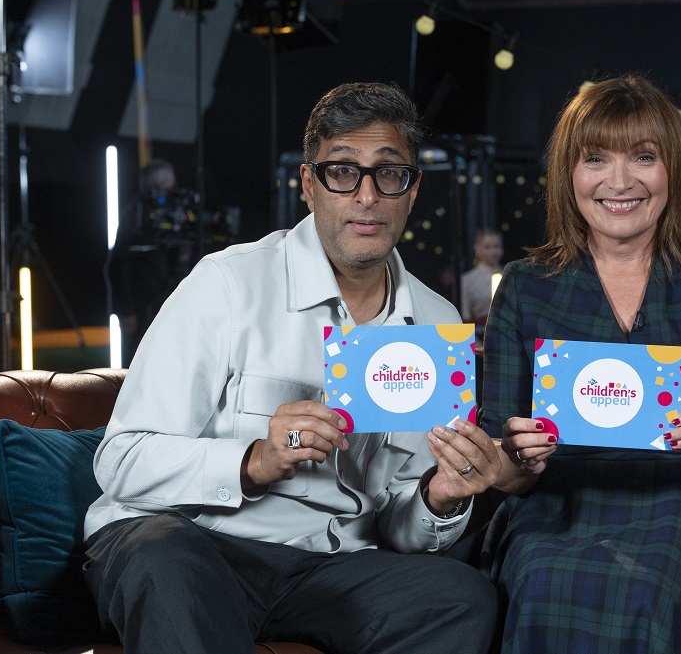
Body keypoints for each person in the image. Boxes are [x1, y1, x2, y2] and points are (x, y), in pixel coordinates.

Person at [83, 82, 500, 654]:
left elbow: (403, 527)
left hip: (329, 567)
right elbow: (121, 460)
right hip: (196, 541)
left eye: (389, 173)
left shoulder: (436, 321)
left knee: (460, 596)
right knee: (168, 564)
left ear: (412, 188)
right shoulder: (228, 283)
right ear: (309, 185)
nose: (367, 196)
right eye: (342, 171)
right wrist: (255, 460)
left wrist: (440, 497)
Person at [477, 74, 681, 653]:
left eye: (644, 157)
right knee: (546, 586)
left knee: (650, 595)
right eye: (596, 158)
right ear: (568, 176)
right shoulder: (527, 289)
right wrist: (515, 456)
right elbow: (498, 466)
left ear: (671, 171)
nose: (619, 182)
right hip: (558, 511)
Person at [106, 158, 192, 364]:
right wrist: (127, 312)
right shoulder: (135, 216)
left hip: (168, 299)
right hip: (141, 305)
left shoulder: (173, 216)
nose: (175, 190)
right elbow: (116, 265)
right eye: (170, 185)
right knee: (137, 361)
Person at [460, 226, 504, 324]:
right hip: (478, 334)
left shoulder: (509, 276)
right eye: (487, 247)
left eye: (496, 246)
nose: (493, 252)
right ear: (477, 248)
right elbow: (465, 316)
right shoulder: (467, 279)